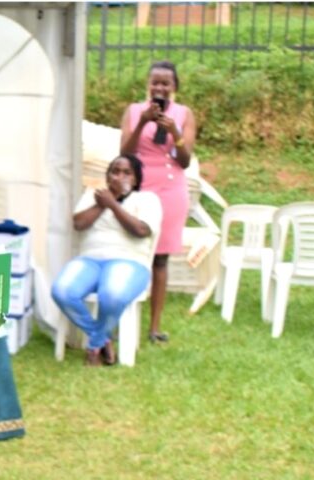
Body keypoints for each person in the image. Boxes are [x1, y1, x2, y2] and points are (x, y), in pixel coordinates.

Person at [52, 155, 162, 366]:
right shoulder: (93, 196)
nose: (119, 177)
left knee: (112, 295)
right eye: (115, 171)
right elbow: (79, 223)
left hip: (129, 261)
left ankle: (94, 347)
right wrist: (104, 203)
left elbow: (140, 230)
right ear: (107, 176)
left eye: (126, 173)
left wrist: (113, 204)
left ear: (137, 179)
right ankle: (102, 338)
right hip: (89, 260)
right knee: (62, 291)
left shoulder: (147, 200)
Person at [120, 59, 197, 343]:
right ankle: (123, 317)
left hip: (171, 190)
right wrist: (142, 123)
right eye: (155, 82)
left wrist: (175, 132)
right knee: (131, 252)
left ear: (174, 86)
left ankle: (154, 327)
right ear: (148, 85)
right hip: (140, 186)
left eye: (166, 83)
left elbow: (185, 160)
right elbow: (125, 153)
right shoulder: (133, 111)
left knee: (160, 259)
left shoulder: (185, 114)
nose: (160, 87)